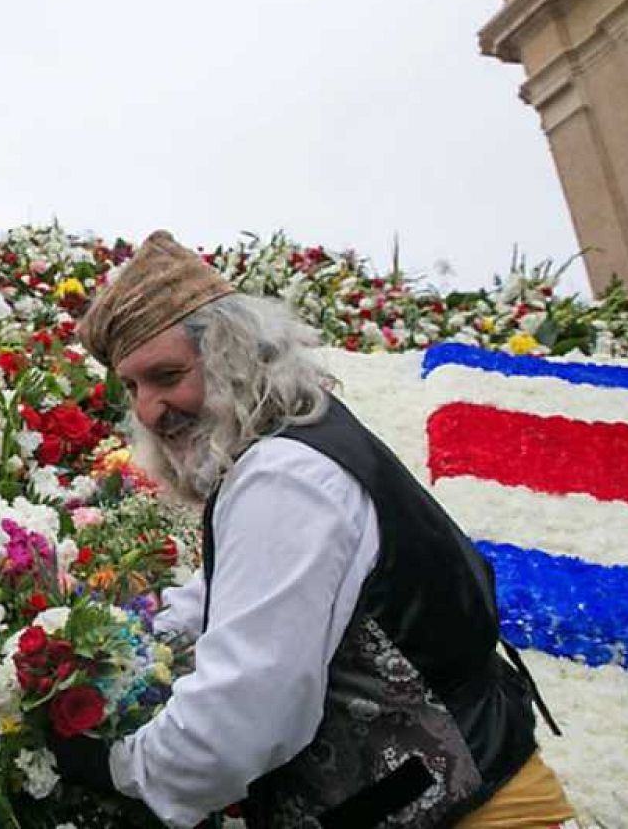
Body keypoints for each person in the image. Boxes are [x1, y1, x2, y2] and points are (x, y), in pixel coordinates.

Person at [54, 231, 574, 828]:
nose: (148, 410)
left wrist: (116, 765)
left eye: (167, 376)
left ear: (232, 358)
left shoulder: (283, 478)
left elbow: (241, 719)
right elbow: (226, 598)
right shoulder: (292, 448)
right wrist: (107, 645)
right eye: (133, 387)